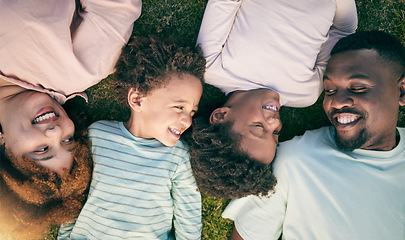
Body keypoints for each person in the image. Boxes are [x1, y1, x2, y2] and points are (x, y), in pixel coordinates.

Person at [222, 30, 405, 240]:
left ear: (401, 91)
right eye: (330, 90)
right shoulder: (295, 160)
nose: (336, 102)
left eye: (357, 88)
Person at [0, 0, 141, 239]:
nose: (55, 131)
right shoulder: (82, 68)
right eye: (68, 140)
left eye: (42, 149)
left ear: (4, 148)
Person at [189, 0, 358, 199]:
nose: (275, 121)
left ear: (220, 116)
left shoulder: (212, 66)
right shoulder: (305, 94)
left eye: (260, 128)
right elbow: (343, 33)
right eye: (276, 133)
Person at [57, 36, 205, 240]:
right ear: (137, 100)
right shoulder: (98, 135)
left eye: (192, 111)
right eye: (179, 107)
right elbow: (76, 191)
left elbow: (188, 211)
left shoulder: (178, 155)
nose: (187, 120)